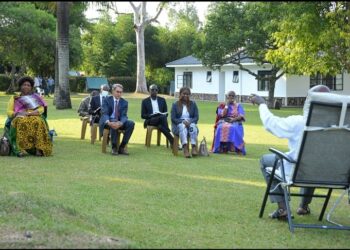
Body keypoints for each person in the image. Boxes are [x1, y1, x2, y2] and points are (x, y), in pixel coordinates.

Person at [250, 85, 331, 220]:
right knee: (313, 164)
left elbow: (271, 124)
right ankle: (303, 206)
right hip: (328, 173)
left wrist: (262, 104)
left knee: (266, 160)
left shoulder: (300, 122)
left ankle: (283, 209)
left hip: (298, 170)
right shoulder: (342, 126)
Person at [6, 76, 53, 157]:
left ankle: (39, 149)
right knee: (20, 121)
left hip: (34, 115)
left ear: (31, 87)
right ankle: (20, 149)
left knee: (38, 121)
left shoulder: (36, 97)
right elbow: (9, 111)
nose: (26, 86)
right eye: (24, 84)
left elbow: (42, 108)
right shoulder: (15, 98)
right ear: (20, 86)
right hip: (19, 116)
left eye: (28, 85)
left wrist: (35, 112)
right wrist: (17, 114)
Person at [100, 83, 135, 156]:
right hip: (108, 121)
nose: (119, 94)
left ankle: (122, 147)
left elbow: (124, 116)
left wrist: (121, 123)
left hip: (119, 121)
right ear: (113, 91)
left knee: (131, 123)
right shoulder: (106, 100)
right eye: (117, 92)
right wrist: (108, 122)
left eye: (120, 92)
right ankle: (114, 147)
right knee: (113, 122)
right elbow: (104, 113)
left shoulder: (124, 102)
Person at [211, 90, 246, 155]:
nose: (231, 97)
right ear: (227, 97)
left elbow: (241, 116)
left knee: (234, 128)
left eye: (233, 96)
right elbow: (222, 115)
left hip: (236, 121)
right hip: (225, 120)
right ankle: (222, 147)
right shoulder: (223, 105)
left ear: (235, 97)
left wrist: (234, 120)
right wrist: (227, 105)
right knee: (220, 127)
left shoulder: (238, 105)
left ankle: (238, 148)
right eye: (229, 95)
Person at [171, 86, 199, 158]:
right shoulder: (175, 105)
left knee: (193, 126)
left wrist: (189, 122)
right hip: (178, 125)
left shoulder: (193, 104)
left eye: (187, 94)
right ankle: (185, 148)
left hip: (190, 123)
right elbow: (173, 118)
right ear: (180, 94)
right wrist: (183, 122)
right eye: (184, 94)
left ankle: (193, 147)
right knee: (182, 126)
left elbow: (196, 117)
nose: (186, 95)